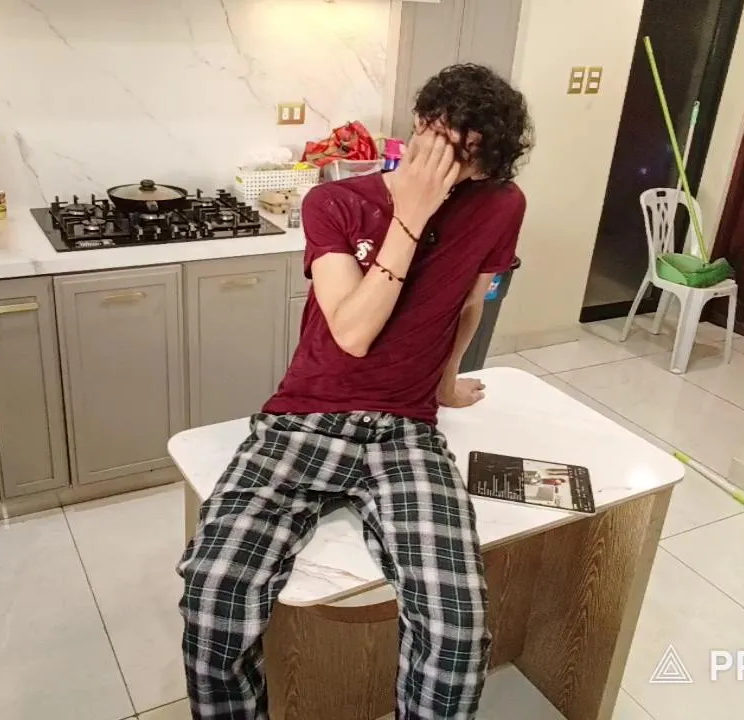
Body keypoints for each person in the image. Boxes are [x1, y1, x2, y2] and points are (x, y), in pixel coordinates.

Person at [177, 63, 533, 720]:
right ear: (421, 127)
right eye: (448, 151)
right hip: (302, 421)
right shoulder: (335, 204)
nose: (455, 175)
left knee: (458, 629)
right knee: (213, 596)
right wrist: (412, 214)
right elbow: (353, 333)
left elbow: (468, 304)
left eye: (474, 164)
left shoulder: (501, 205)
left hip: (406, 432)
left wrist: (446, 382)